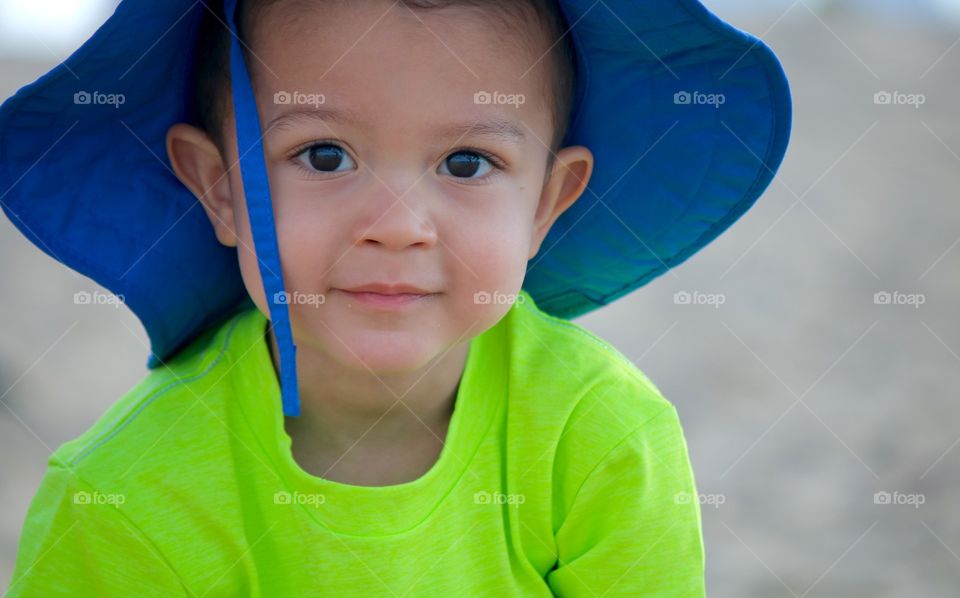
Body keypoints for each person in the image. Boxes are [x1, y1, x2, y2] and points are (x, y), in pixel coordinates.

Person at [0, 0, 791, 594]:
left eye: (467, 164)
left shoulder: (604, 438)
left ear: (548, 204)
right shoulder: (122, 497)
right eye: (324, 154)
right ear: (221, 190)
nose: (398, 226)